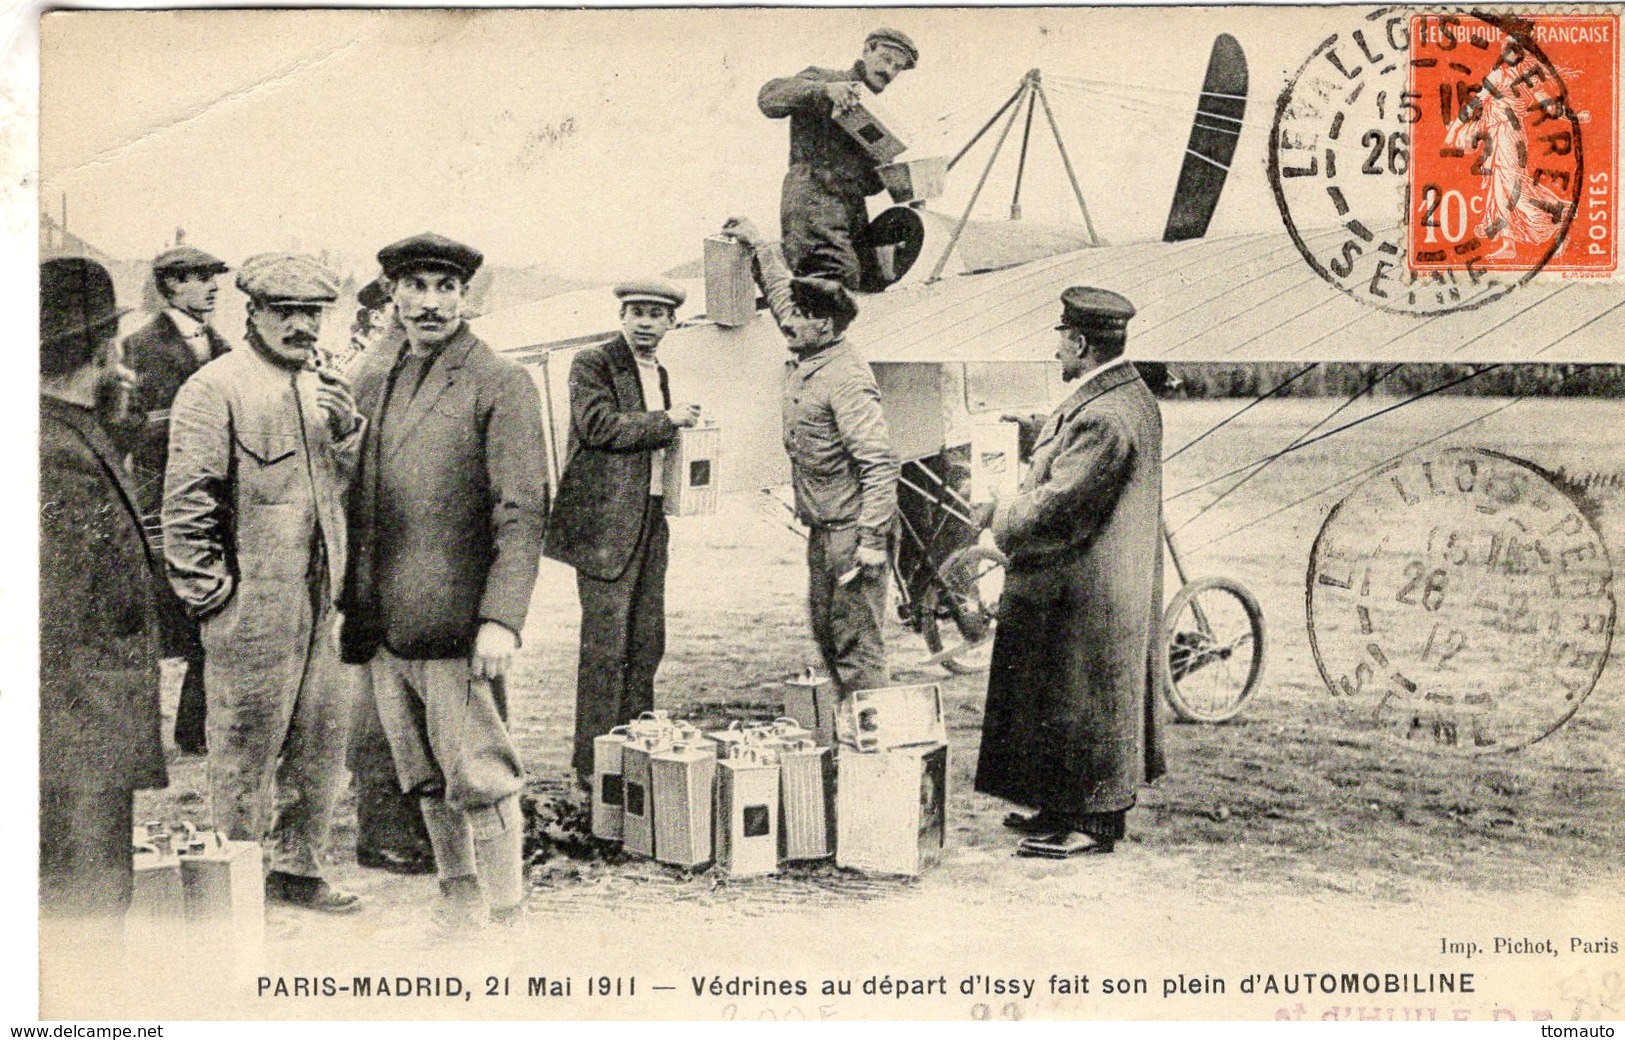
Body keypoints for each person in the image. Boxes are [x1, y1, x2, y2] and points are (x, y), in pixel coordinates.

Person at [340, 232, 547, 929]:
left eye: (445, 287)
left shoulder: (499, 381)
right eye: (416, 287)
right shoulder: (376, 377)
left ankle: (507, 917)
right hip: (383, 623)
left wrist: (501, 618)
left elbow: (522, 513)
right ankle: (457, 903)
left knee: (480, 778)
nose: (430, 303)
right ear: (391, 295)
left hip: (455, 621)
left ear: (465, 296)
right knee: (424, 777)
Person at [162, 252, 365, 911]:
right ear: (253, 313)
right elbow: (186, 505)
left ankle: (300, 869)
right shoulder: (213, 387)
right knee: (246, 742)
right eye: (285, 312)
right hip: (254, 602)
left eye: (311, 313)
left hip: (326, 596)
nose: (300, 325)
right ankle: (237, 881)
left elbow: (352, 490)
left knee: (322, 739)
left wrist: (348, 430)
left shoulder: (328, 386)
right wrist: (212, 598)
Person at [974, 287, 1167, 858]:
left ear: (1081, 343)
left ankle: (1092, 824)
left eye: (1062, 339)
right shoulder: (1122, 395)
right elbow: (1073, 442)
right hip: (1095, 579)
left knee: (1087, 700)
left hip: (1090, 585)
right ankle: (1062, 807)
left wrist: (996, 515)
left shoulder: (1107, 415)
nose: (1057, 350)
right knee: (1063, 698)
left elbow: (1062, 503)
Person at [39, 257, 168, 931]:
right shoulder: (55, 451)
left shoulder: (70, 428)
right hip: (74, 731)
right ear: (102, 347)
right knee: (85, 904)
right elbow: (61, 613)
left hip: (75, 725)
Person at [722, 217, 899, 698]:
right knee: (826, 632)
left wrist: (870, 541)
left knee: (857, 647)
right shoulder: (811, 334)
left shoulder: (847, 379)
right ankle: (853, 734)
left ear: (822, 324)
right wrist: (759, 242)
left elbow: (880, 464)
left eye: (797, 318)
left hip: (852, 531)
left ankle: (876, 754)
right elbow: (783, 292)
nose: (786, 323)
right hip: (824, 527)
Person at [544, 279, 701, 786]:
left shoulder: (662, 372)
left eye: (656, 314)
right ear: (621, 315)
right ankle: (594, 767)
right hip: (607, 525)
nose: (645, 322)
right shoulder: (593, 362)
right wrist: (667, 420)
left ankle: (635, 752)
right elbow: (597, 426)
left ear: (672, 322)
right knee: (605, 648)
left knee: (646, 641)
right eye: (636, 311)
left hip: (650, 520)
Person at [122, 245, 234, 755]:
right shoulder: (138, 347)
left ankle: (196, 731)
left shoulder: (223, 344)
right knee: (155, 622)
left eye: (213, 278)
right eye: (198, 279)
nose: (211, 287)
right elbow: (122, 424)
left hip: (213, 498)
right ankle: (138, 739)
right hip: (157, 501)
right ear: (170, 286)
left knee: (213, 611)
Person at [758, 28, 919, 292]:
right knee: (836, 280)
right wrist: (825, 91)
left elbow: (868, 186)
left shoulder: (877, 119)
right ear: (868, 50)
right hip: (814, 203)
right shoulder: (826, 79)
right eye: (886, 59)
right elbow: (768, 98)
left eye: (898, 68)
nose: (890, 71)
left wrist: (888, 171)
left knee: (871, 283)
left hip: (851, 213)